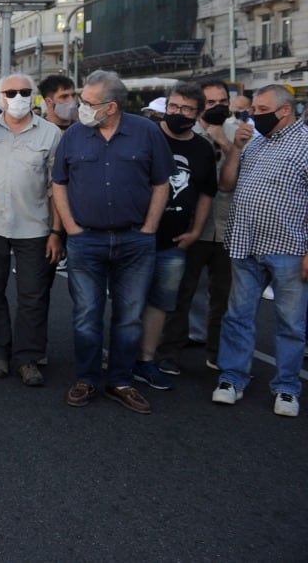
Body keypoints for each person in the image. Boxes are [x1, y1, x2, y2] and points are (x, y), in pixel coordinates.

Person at [53, 70, 173, 414]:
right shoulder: (74, 135)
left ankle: (121, 381)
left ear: (112, 107)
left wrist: (149, 227)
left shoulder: (147, 132)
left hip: (135, 241)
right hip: (85, 240)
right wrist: (72, 229)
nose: (81, 108)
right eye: (82, 101)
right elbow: (59, 182)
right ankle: (87, 378)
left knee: (129, 316)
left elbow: (161, 183)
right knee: (86, 314)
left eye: (89, 104)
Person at [212, 84, 308, 417]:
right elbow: (227, 185)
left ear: (285, 111)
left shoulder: (306, 143)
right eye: (254, 109)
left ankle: (287, 388)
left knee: (291, 324)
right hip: (246, 243)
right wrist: (236, 149)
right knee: (238, 315)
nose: (255, 116)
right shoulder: (254, 143)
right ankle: (232, 378)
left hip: (290, 248)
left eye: (262, 110)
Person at [0, 74, 62, 386]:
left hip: (35, 228)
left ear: (32, 96)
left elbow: (57, 186)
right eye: (10, 92)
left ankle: (28, 358)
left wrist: (57, 232)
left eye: (24, 92)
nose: (17, 97)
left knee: (33, 295)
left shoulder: (51, 134)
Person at [134, 84, 216, 391]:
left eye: (186, 109)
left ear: (197, 113)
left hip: (174, 242)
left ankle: (146, 359)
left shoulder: (202, 148)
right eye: (174, 107)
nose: (178, 114)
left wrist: (196, 231)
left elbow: (208, 192)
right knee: (129, 300)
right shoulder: (147, 134)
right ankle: (119, 356)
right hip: (137, 236)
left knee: (161, 303)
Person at [158, 80, 238, 373]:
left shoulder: (240, 134)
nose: (218, 107)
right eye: (211, 102)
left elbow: (231, 183)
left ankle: (217, 354)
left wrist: (228, 144)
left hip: (229, 227)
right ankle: (168, 352)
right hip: (194, 228)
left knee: (224, 297)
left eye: (223, 102)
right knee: (181, 293)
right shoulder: (185, 135)